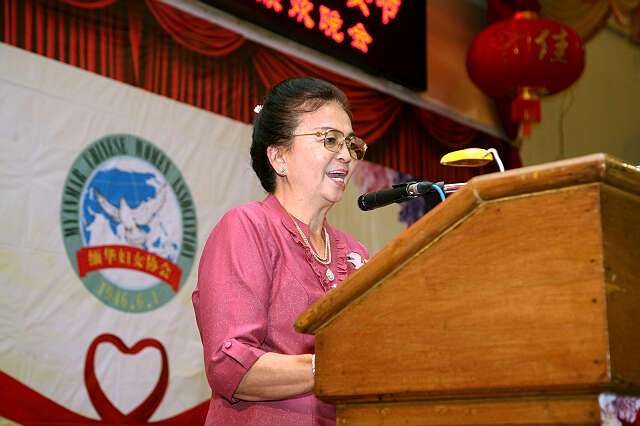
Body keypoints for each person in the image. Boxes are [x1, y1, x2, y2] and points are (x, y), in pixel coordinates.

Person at [192, 77, 369, 425]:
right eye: (330, 140)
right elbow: (230, 365)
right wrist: (331, 367)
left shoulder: (355, 251)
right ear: (279, 156)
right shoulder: (248, 227)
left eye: (351, 143)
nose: (346, 155)